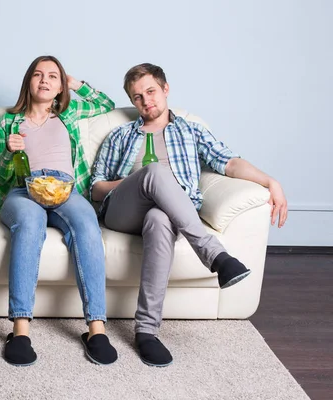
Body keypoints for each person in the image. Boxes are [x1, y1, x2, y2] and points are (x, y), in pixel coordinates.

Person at [91, 63, 288, 367]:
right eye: (137, 97)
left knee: (160, 218)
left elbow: (229, 163)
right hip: (122, 213)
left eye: (151, 92)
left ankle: (146, 331)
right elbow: (96, 188)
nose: (146, 101)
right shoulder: (120, 136)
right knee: (155, 172)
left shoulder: (190, 130)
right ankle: (215, 255)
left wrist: (270, 181)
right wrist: (141, 179)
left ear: (165, 89)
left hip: (169, 214)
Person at [0, 55, 118, 366]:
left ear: (59, 87)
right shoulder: (7, 122)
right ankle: (20, 331)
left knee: (86, 224)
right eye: (38, 74)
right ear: (28, 81)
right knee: (30, 226)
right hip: (24, 190)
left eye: (53, 76)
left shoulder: (68, 114)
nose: (44, 80)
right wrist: (8, 151)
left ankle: (96, 329)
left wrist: (74, 83)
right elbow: (0, 175)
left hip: (67, 190)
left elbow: (106, 104)